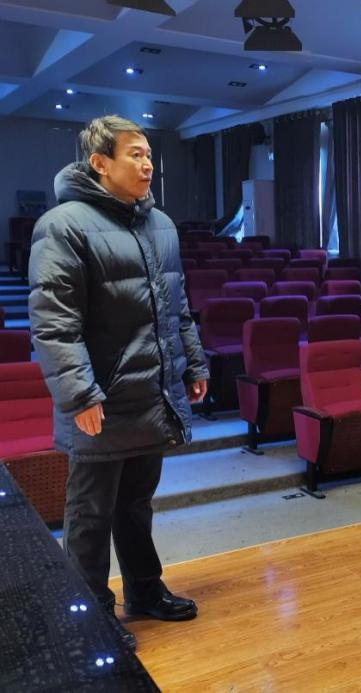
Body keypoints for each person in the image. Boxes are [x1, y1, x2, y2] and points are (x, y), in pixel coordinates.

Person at [28, 115, 211, 651]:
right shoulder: (63, 225)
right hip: (101, 401)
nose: (147, 163)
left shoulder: (161, 224)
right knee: (90, 516)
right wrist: (80, 394)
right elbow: (54, 324)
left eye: (149, 153)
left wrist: (193, 365)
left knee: (136, 504)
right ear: (100, 163)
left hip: (150, 394)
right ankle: (90, 618)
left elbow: (177, 308)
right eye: (135, 154)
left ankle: (145, 591)